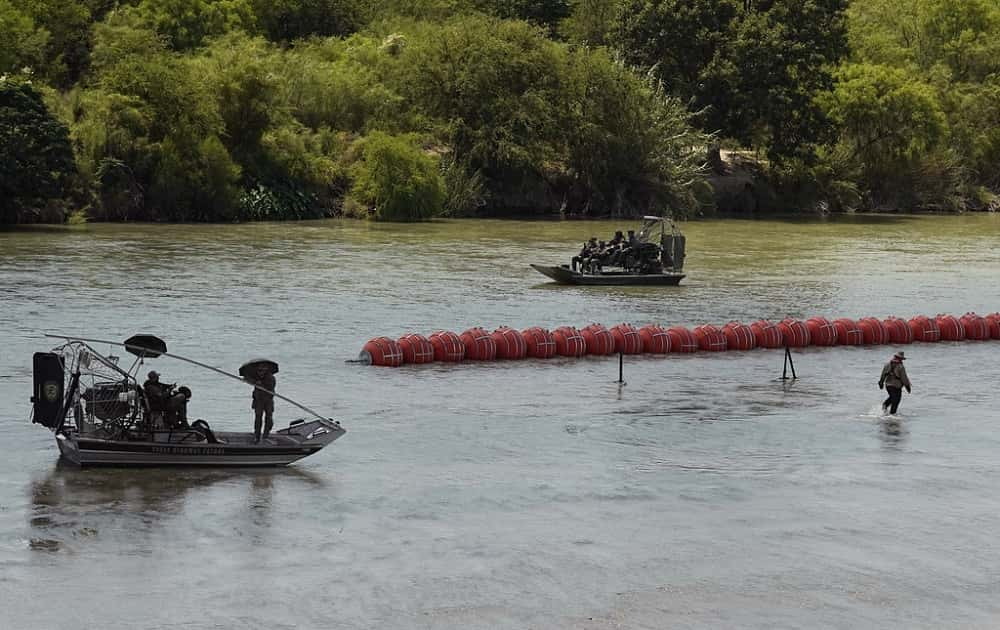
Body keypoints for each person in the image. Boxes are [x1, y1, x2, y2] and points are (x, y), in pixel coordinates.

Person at [251, 364, 276, 443]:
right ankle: (257, 436)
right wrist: (255, 382)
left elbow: (271, 388)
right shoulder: (255, 376)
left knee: (268, 418)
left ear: (266, 371)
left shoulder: (271, 378)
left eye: (262, 371)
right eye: (259, 371)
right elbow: (248, 379)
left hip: (268, 400)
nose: (260, 372)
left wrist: (261, 384)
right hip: (258, 401)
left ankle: (265, 435)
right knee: (258, 418)